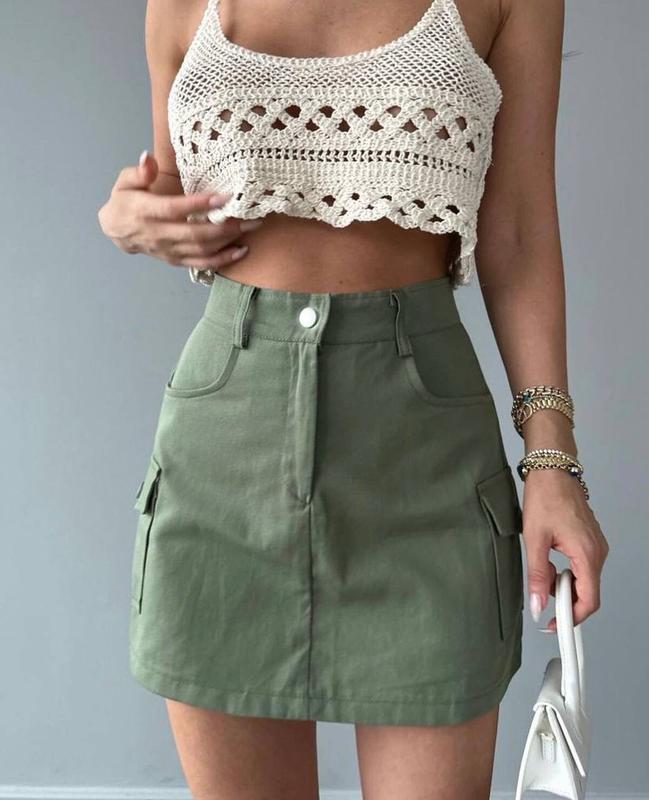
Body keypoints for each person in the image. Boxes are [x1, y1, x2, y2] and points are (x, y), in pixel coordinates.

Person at [98, 0, 609, 797]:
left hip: (423, 456)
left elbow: (515, 231)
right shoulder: (179, 5)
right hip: (224, 446)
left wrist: (551, 460)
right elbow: (168, 188)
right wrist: (126, 217)